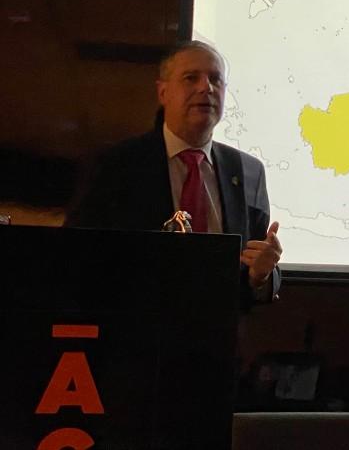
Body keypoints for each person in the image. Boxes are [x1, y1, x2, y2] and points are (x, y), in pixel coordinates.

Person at [68, 40, 281, 306]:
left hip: (220, 327)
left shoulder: (249, 171)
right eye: (191, 78)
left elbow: (258, 269)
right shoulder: (114, 166)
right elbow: (77, 255)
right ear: (163, 92)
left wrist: (262, 276)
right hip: (134, 323)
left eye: (215, 79)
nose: (206, 87)